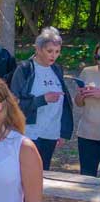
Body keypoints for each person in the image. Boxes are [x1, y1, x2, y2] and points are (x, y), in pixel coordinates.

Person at [10, 26, 73, 171]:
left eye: (57, 52)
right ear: (38, 49)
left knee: (43, 173)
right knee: (26, 173)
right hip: (29, 132)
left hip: (51, 133)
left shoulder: (57, 69)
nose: (54, 55)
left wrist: (62, 131)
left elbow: (64, 103)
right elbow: (14, 103)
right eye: (49, 51)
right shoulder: (25, 69)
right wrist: (42, 99)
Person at [74, 43, 100, 176]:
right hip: (87, 134)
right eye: (98, 56)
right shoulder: (87, 72)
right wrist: (81, 94)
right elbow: (78, 103)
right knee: (87, 177)